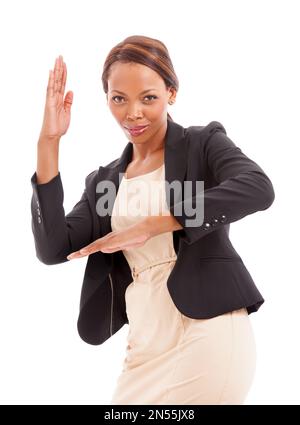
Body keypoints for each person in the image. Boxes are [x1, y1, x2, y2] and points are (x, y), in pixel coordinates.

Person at [30, 35, 275, 405]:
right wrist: (49, 141)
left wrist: (158, 221)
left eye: (148, 97)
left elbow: (258, 188)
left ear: (171, 93)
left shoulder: (202, 144)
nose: (133, 113)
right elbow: (52, 248)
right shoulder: (106, 183)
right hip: (145, 344)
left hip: (207, 328)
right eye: (119, 99)